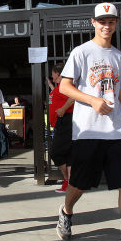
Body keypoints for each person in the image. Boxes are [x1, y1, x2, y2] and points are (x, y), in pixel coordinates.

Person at [55, 2, 121, 241]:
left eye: (111, 21)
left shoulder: (120, 57)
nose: (106, 26)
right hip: (88, 131)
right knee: (80, 183)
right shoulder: (81, 52)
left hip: (116, 132)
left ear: (116, 24)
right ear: (93, 22)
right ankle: (66, 211)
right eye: (102, 21)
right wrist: (92, 101)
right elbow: (65, 87)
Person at [47, 63, 74, 193]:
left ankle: (67, 180)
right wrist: (52, 86)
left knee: (55, 153)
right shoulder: (59, 87)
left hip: (65, 122)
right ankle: (70, 183)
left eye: (53, 74)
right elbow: (59, 96)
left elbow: (73, 97)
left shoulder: (65, 87)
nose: (52, 77)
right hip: (61, 123)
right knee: (67, 154)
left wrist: (63, 109)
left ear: (58, 74)